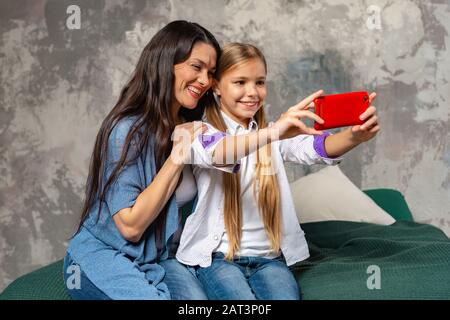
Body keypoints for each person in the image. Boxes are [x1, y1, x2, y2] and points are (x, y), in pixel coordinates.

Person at [176, 43, 380, 300]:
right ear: (216, 86)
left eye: (259, 82)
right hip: (218, 260)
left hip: (270, 261)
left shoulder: (275, 133)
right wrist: (274, 133)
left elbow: (317, 147)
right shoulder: (199, 132)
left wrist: (354, 136)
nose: (252, 92)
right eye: (240, 82)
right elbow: (219, 152)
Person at [63, 20, 220, 300]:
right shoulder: (125, 130)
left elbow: (235, 156)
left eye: (211, 72)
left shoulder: (188, 127)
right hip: (108, 253)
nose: (205, 80)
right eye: (196, 67)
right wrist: (177, 156)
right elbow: (131, 226)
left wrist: (279, 133)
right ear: (165, 62)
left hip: (159, 258)